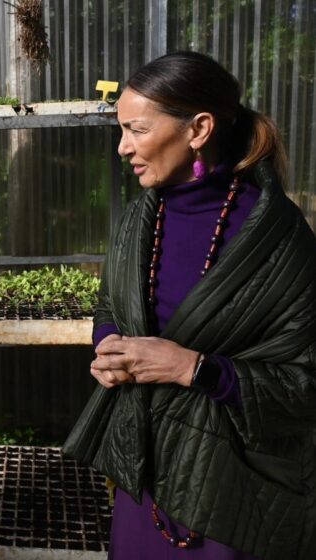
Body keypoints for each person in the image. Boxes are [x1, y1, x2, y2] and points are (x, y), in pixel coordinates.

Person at [64, 51, 316, 560]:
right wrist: (109, 346)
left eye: (136, 130)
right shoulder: (139, 218)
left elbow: (304, 385)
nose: (122, 147)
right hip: (145, 475)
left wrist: (194, 368)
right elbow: (111, 305)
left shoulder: (276, 239)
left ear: (198, 129)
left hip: (230, 494)